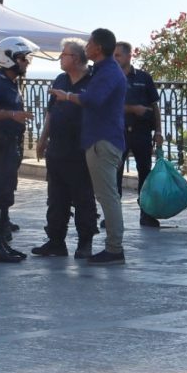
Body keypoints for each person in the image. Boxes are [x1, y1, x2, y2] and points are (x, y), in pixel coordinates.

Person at [50, 28, 128, 265]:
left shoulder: (108, 73)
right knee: (105, 196)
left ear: (99, 48)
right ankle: (112, 247)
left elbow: (92, 99)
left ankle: (114, 249)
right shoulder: (103, 71)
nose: (87, 47)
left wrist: (67, 96)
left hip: (103, 141)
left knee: (107, 197)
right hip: (98, 140)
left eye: (90, 43)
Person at [32, 38, 98, 258]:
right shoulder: (60, 79)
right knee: (56, 198)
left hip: (81, 149)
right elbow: (51, 112)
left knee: (83, 197)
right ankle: (56, 240)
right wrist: (43, 139)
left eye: (64, 54)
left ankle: (85, 242)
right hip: (58, 148)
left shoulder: (92, 81)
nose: (60, 57)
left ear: (76, 58)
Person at [0, 36, 37, 263]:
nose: (26, 63)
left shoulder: (10, 83)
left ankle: (0, 241)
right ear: (8, 58)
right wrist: (13, 115)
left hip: (8, 144)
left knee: (5, 194)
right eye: (22, 58)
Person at [113, 41, 164, 228]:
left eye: (118, 55)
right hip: (118, 133)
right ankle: (112, 215)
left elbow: (154, 106)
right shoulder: (110, 79)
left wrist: (158, 131)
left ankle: (146, 213)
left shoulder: (144, 77)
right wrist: (133, 109)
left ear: (128, 56)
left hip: (142, 133)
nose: (114, 59)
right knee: (114, 174)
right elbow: (107, 106)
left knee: (145, 173)